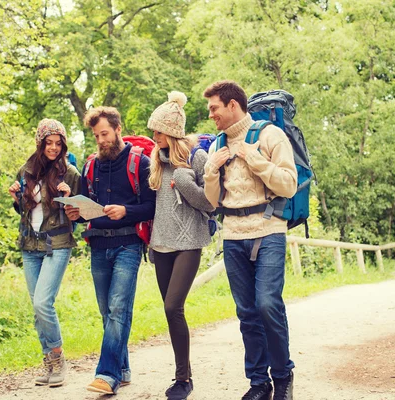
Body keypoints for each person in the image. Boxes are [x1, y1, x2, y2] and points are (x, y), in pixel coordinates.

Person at [202, 81, 298, 400]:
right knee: (246, 312)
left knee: (267, 303)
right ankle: (259, 382)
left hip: (268, 229)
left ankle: (283, 376)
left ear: (232, 105)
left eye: (214, 108)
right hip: (233, 235)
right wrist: (211, 173)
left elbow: (288, 185)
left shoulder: (270, 135)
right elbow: (212, 201)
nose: (211, 114)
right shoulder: (217, 146)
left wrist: (255, 160)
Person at [65, 106, 156, 395]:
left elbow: (153, 206)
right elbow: (87, 210)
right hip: (98, 244)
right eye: (96, 136)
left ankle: (107, 374)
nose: (101, 140)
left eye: (105, 133)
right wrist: (75, 213)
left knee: (118, 308)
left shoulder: (140, 163)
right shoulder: (91, 165)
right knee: (107, 311)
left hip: (128, 243)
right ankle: (124, 369)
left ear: (118, 129)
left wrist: (126, 210)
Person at [146, 92, 215, 400]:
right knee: (169, 311)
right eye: (153, 131)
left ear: (172, 131)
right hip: (161, 244)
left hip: (189, 242)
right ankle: (183, 375)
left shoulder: (196, 158)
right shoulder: (156, 161)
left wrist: (186, 183)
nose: (154, 136)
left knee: (174, 306)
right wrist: (151, 241)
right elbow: (158, 206)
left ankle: (182, 380)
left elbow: (210, 203)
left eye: (158, 131)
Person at [8, 118, 81, 387]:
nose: (53, 148)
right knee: (36, 308)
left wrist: (68, 194)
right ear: (40, 144)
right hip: (30, 245)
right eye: (48, 143)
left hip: (58, 243)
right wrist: (17, 198)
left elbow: (80, 212)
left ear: (63, 145)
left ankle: (59, 357)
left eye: (58, 143)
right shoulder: (25, 171)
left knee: (43, 303)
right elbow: (25, 212)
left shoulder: (70, 172)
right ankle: (48, 361)